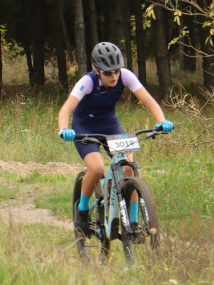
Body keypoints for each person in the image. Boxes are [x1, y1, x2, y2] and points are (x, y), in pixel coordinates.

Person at [57, 42, 173, 236]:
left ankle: (134, 222)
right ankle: (82, 211)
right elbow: (66, 109)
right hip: (85, 126)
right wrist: (64, 129)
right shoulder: (87, 82)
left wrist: (162, 121)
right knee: (96, 169)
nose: (114, 76)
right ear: (97, 70)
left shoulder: (125, 76)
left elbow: (147, 100)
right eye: (108, 73)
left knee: (129, 167)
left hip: (110, 124)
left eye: (116, 71)